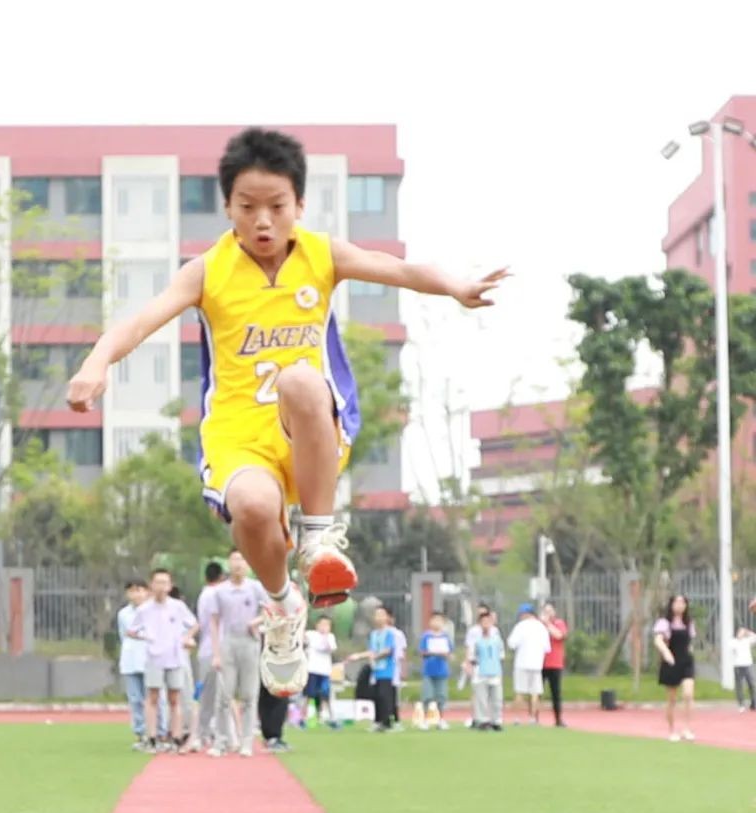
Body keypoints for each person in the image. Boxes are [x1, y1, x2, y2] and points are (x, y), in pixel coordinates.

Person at [67, 127, 506, 700]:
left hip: (309, 427)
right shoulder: (207, 272)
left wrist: (456, 285)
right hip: (237, 437)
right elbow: (141, 319)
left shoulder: (322, 255)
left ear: (299, 205)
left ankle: (319, 538)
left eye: (277, 207)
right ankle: (282, 606)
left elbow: (399, 269)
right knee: (251, 508)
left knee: (300, 378)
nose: (263, 221)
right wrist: (97, 363)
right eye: (248, 208)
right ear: (228, 207)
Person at [131, 569, 199, 752]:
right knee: (152, 697)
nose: (161, 587)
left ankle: (175, 737)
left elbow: (194, 624)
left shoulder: (177, 606)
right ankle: (152, 737)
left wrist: (186, 638)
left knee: (174, 698)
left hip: (174, 657)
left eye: (164, 583)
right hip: (154, 657)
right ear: (152, 585)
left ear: (170, 586)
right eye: (157, 582)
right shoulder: (144, 609)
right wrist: (145, 637)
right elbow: (132, 630)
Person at [211, 550, 264, 756]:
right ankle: (221, 740)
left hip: (250, 641)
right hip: (229, 642)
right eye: (234, 559)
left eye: (242, 559)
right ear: (228, 563)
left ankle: (247, 741)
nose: (238, 564)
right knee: (224, 694)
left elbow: (271, 610)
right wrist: (216, 653)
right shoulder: (220, 591)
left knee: (249, 695)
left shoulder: (256, 588)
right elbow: (214, 622)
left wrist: (256, 622)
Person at [191, 560, 229, 751]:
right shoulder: (214, 594)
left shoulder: (204, 594)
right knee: (211, 696)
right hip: (213, 650)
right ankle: (203, 733)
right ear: (220, 578)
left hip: (209, 649)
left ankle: (208, 733)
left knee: (212, 695)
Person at [349, 605, 402, 732]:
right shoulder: (373, 634)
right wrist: (358, 656)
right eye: (377, 615)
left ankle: (388, 722)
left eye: (382, 615)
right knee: (376, 696)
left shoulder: (390, 634)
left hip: (387, 670)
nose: (379, 617)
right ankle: (378, 721)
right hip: (376, 671)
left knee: (385, 696)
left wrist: (376, 656)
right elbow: (372, 651)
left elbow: (388, 650)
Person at [653, 594, 697, 742]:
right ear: (671, 605)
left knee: (688, 694)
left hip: (686, 661)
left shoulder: (689, 623)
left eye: (683, 602)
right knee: (671, 699)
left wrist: (690, 653)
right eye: (677, 602)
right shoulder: (664, 622)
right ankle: (671, 730)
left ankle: (687, 728)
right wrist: (666, 654)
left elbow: (690, 641)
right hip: (671, 662)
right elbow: (658, 640)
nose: (680, 605)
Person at [117, 579, 151, 749]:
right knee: (135, 699)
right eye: (132, 591)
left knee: (154, 700)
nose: (136, 594)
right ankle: (140, 733)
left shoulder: (153, 611)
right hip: (130, 661)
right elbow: (124, 635)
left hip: (150, 660)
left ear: (147, 592)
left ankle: (157, 732)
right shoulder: (123, 614)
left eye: (139, 590)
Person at [507, 604, 551, 725]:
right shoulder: (541, 627)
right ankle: (532, 718)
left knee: (520, 691)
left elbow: (512, 643)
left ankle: (517, 718)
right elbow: (547, 648)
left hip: (522, 663)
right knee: (535, 692)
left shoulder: (520, 627)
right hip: (537, 664)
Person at [468, 607, 505, 731]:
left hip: (494, 671)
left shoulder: (496, 638)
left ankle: (496, 720)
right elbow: (471, 654)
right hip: (481, 671)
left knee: (497, 698)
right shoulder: (476, 638)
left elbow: (501, 654)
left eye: (488, 621)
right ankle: (482, 720)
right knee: (481, 698)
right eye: (484, 622)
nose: (486, 624)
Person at [417, 612, 453, 729]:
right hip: (428, 671)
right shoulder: (426, 636)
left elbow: (450, 653)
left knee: (441, 696)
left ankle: (441, 720)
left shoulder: (445, 637)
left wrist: (445, 654)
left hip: (442, 671)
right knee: (427, 695)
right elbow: (422, 652)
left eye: (439, 620)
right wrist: (432, 652)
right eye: (434, 620)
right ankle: (426, 719)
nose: (436, 623)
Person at [304, 615, 340, 728]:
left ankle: (330, 718)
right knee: (309, 695)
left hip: (324, 671)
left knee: (325, 694)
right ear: (317, 625)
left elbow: (330, 648)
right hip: (312, 669)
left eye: (327, 625)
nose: (324, 627)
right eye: (322, 624)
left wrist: (325, 636)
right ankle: (302, 718)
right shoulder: (311, 635)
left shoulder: (330, 637)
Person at [462, 601, 491, 727]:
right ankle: (476, 717)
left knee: (489, 692)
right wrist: (467, 662)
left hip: (490, 665)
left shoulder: (494, 631)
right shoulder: (473, 631)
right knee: (476, 692)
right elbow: (469, 647)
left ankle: (488, 717)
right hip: (477, 664)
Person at [541, 601, 568, 727]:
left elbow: (559, 635)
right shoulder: (538, 626)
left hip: (555, 663)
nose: (548, 614)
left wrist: (547, 624)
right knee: (537, 691)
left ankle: (558, 719)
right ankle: (534, 717)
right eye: (545, 611)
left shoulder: (559, 623)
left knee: (556, 692)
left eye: (550, 611)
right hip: (540, 662)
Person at [731, 623, 756, 712]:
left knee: (752, 684)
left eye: (742, 631)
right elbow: (730, 648)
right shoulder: (733, 641)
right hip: (738, 665)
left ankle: (754, 703)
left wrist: (747, 632)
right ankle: (741, 704)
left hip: (748, 665)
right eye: (740, 631)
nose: (741, 633)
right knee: (739, 685)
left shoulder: (747, 640)